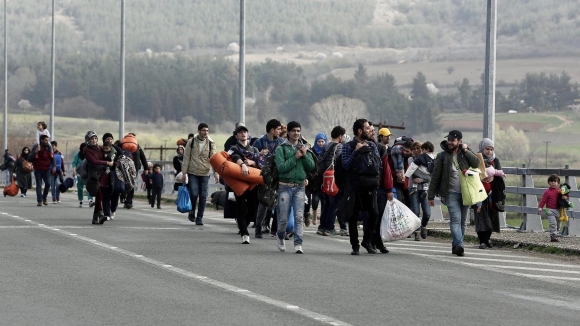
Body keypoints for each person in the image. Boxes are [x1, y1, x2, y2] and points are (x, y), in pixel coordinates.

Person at [427, 130, 480, 257]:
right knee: (455, 220)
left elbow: (476, 163)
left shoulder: (465, 153)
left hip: (466, 193)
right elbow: (435, 176)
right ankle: (460, 244)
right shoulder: (442, 156)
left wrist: (466, 150)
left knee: (462, 222)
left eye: (453, 140)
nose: (450, 142)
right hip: (451, 193)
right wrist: (431, 195)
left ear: (459, 142)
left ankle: (456, 245)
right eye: (449, 140)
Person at [338, 118, 383, 255]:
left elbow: (378, 163)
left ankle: (367, 240)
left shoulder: (372, 145)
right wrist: (356, 152)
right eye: (367, 128)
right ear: (359, 131)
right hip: (354, 185)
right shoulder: (348, 146)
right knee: (353, 215)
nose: (369, 131)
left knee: (374, 213)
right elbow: (346, 165)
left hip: (370, 185)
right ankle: (355, 245)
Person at [275, 121, 315, 254]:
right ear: (288, 133)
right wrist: (296, 156)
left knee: (299, 217)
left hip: (299, 187)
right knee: (283, 218)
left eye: (298, 131)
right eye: (294, 131)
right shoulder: (281, 149)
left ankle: (298, 244)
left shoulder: (304, 148)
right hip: (284, 186)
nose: (296, 133)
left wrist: (304, 156)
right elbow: (281, 168)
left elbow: (311, 166)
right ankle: (280, 237)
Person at [229, 124, 262, 244]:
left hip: (252, 182)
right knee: (241, 208)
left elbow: (260, 162)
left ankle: (243, 225)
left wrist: (251, 162)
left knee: (253, 209)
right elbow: (234, 156)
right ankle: (244, 234)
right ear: (236, 135)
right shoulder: (234, 147)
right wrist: (242, 164)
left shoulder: (254, 150)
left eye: (245, 132)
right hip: (239, 182)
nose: (243, 134)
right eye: (240, 132)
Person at [253, 119, 284, 238]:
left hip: (278, 175)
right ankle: (258, 228)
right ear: (272, 130)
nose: (280, 131)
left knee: (279, 204)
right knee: (264, 203)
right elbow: (252, 157)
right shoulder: (259, 142)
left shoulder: (281, 142)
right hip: (264, 176)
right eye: (278, 129)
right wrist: (260, 154)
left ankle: (276, 230)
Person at [182, 123, 218, 225]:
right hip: (193, 172)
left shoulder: (211, 143)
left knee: (203, 196)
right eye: (203, 130)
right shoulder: (191, 142)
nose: (205, 132)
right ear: (198, 131)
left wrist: (216, 174)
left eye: (207, 131)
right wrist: (184, 173)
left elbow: (214, 159)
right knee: (193, 193)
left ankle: (199, 218)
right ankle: (192, 212)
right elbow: (186, 157)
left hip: (205, 172)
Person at [317, 126, 347, 236]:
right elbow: (340, 163)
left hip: (325, 178)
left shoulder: (326, 146)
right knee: (334, 204)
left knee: (326, 204)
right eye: (343, 136)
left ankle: (322, 227)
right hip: (334, 178)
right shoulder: (339, 147)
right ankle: (330, 227)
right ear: (340, 136)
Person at [405, 141, 436, 240]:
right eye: (413, 149)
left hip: (425, 189)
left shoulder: (428, 160)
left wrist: (422, 179)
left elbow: (430, 176)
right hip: (413, 188)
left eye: (418, 148)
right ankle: (417, 231)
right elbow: (414, 171)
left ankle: (424, 226)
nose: (416, 150)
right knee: (415, 211)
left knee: (427, 212)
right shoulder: (411, 159)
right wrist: (425, 175)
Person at [83, 131, 114, 224]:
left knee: (100, 197)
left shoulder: (100, 147)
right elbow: (94, 161)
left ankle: (94, 218)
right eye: (92, 138)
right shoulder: (86, 150)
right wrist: (106, 162)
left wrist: (110, 159)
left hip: (104, 174)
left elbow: (107, 155)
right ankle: (101, 214)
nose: (94, 140)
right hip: (94, 175)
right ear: (88, 140)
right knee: (99, 194)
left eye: (95, 138)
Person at [305, 132, 327, 227]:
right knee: (314, 200)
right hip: (313, 180)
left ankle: (322, 220)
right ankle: (313, 216)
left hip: (325, 180)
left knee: (324, 201)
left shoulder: (327, 151)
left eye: (322, 141)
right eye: (319, 141)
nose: (321, 144)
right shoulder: (312, 151)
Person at [29, 135, 56, 206]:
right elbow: (29, 158)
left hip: (46, 169)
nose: (47, 142)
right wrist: (35, 151)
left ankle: (44, 197)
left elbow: (52, 158)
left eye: (48, 140)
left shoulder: (49, 147)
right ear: (41, 140)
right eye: (46, 140)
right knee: (39, 185)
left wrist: (54, 166)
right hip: (38, 169)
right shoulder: (36, 147)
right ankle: (39, 200)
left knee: (48, 184)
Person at [124, 133, 148, 209]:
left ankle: (125, 198)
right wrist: (146, 168)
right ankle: (129, 201)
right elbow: (143, 157)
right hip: (135, 168)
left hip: (124, 167)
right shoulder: (137, 145)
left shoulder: (123, 144)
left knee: (125, 183)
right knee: (132, 184)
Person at [538, 174, 562, 242]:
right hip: (550, 210)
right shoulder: (547, 192)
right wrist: (540, 207)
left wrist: (565, 197)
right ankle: (553, 235)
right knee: (553, 223)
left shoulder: (559, 191)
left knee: (558, 224)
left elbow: (565, 197)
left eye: (555, 181)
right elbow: (543, 200)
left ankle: (556, 232)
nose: (553, 183)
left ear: (558, 183)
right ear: (548, 182)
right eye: (551, 181)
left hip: (558, 210)